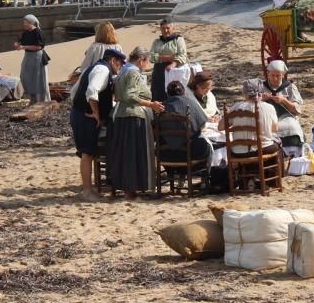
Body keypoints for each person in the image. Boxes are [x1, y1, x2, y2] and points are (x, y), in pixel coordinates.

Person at [70, 48, 125, 202]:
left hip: (80, 113)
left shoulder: (93, 67)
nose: (119, 68)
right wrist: (95, 112)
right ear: (113, 61)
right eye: (119, 65)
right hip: (85, 116)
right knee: (87, 153)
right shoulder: (102, 70)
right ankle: (87, 191)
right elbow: (91, 91)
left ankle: (89, 188)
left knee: (89, 152)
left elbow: (74, 91)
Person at [110, 47, 165, 199]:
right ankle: (131, 191)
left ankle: (130, 190)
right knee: (134, 154)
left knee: (128, 153)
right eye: (147, 62)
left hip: (123, 114)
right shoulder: (133, 72)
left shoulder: (123, 71)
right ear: (141, 60)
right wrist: (151, 105)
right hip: (133, 115)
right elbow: (129, 95)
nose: (147, 65)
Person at [159, 80, 212, 164]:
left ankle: (172, 172)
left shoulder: (160, 107)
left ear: (168, 94)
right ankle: (204, 174)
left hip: (165, 153)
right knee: (207, 146)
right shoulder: (191, 103)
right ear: (183, 92)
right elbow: (202, 124)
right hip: (190, 152)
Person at [262, 60, 305, 149]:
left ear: (283, 75)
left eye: (278, 76)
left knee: (291, 126)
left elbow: (297, 110)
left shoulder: (290, 87)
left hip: (286, 118)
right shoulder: (261, 87)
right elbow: (250, 104)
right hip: (267, 120)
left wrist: (284, 101)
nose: (275, 78)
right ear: (268, 73)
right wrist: (261, 99)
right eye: (272, 75)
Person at [149, 18, 188, 101]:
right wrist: (169, 57)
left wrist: (173, 64)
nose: (165, 30)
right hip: (159, 72)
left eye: (168, 28)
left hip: (173, 71)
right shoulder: (156, 42)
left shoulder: (178, 40)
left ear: (172, 28)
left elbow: (182, 55)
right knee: (158, 95)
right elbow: (151, 57)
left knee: (173, 95)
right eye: (163, 28)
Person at [15, 14, 50, 103]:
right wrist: (18, 45)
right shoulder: (26, 33)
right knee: (25, 76)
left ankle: (40, 99)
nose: (24, 24)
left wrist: (24, 47)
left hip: (37, 57)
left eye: (25, 22)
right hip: (28, 57)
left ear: (31, 23)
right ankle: (29, 98)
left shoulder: (38, 32)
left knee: (38, 78)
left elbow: (39, 47)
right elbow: (22, 43)